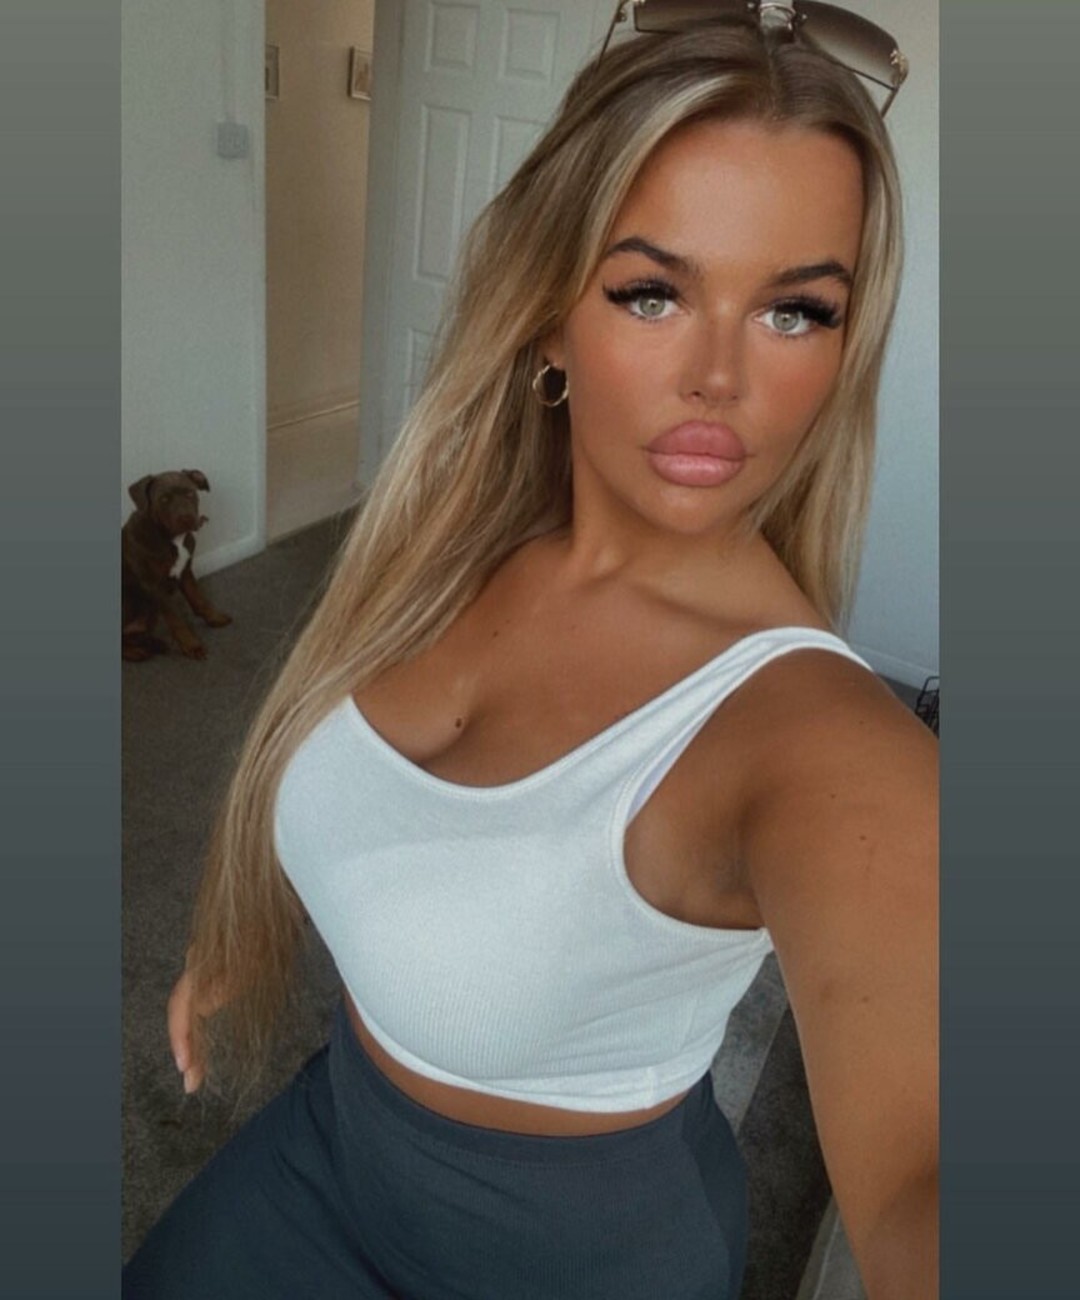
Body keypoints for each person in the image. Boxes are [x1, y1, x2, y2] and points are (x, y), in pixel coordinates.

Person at [123, 4, 937, 1298]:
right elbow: (358, 796)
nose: (721, 375)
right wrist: (243, 924)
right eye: (653, 291)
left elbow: (919, 1180)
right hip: (335, 1136)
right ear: (549, 317)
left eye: (795, 311)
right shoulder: (448, 543)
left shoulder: (828, 749)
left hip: (584, 1252)